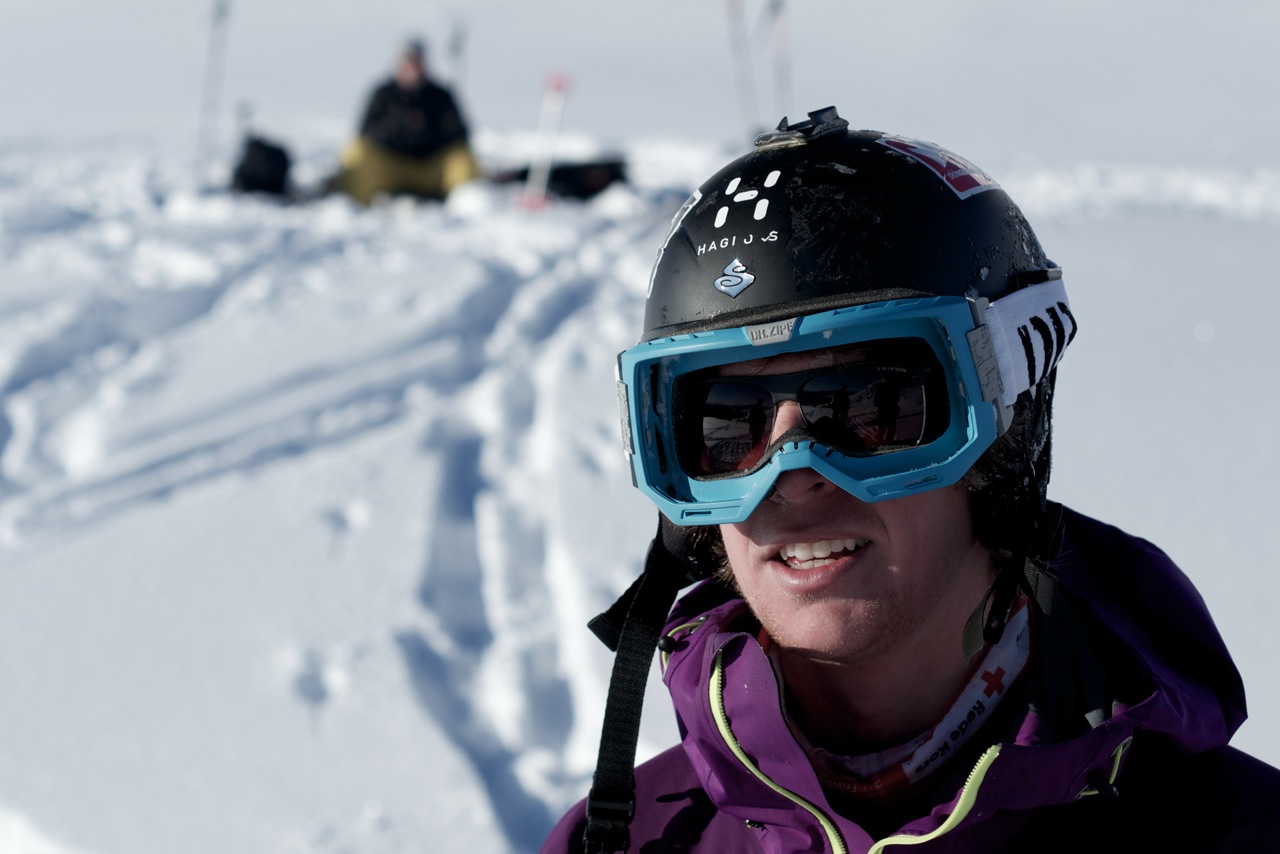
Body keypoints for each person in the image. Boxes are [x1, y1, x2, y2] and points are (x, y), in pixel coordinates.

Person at [542, 107, 1280, 852]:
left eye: (866, 408)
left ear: (1004, 442)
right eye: (726, 426)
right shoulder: (628, 839)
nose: (792, 478)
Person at [332, 38, 480, 204]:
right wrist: (400, 127)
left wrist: (426, 131)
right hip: (391, 167)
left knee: (462, 158)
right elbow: (366, 133)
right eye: (408, 61)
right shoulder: (384, 94)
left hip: (431, 168)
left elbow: (460, 135)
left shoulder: (441, 96)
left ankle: (468, 204)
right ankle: (356, 204)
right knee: (358, 152)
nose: (412, 68)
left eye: (417, 62)